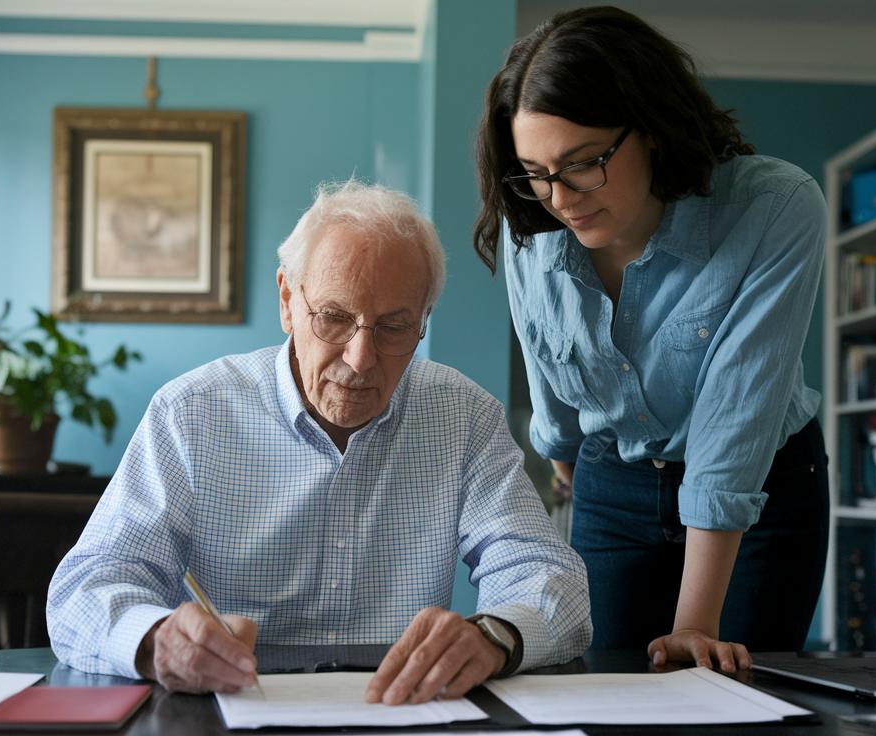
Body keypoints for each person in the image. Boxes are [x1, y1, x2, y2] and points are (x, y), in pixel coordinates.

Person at [48, 180, 591, 703]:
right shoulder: (191, 414)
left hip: (400, 710)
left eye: (395, 326)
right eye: (334, 319)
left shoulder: (463, 416)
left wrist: (492, 636)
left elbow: (552, 583)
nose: (361, 359)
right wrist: (156, 639)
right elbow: (85, 590)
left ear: (424, 320)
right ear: (287, 300)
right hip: (228, 710)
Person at [473, 6, 829, 673]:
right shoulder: (536, 226)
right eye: (535, 171)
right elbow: (547, 377)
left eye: (582, 164)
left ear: (654, 131)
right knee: (602, 686)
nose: (560, 197)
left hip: (762, 486)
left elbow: (735, 419)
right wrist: (565, 460)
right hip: (615, 477)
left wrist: (695, 623)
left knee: (733, 695)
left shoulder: (775, 207)